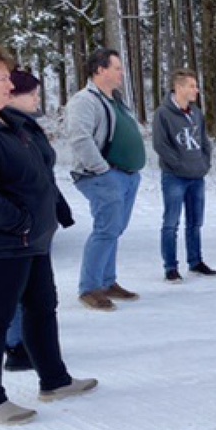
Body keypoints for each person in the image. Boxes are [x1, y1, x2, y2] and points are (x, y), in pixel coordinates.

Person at [0, 44, 97, 424]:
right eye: (2, 78)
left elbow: (33, 174)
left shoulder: (3, 121)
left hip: (28, 241)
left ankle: (54, 380)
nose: (10, 84)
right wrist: (21, 221)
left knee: (42, 308)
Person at [3, 68, 75, 372]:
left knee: (36, 291)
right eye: (30, 93)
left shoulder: (27, 125)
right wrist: (21, 219)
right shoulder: (6, 127)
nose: (37, 98)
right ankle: (17, 346)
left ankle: (29, 344)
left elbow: (42, 172)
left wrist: (58, 207)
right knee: (17, 289)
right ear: (12, 95)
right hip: (21, 223)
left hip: (38, 219)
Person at [67, 48, 145, 311]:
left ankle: (108, 281)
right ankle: (90, 288)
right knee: (106, 229)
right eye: (117, 68)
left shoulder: (115, 100)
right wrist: (102, 170)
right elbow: (80, 138)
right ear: (100, 70)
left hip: (126, 176)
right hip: (101, 176)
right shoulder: (84, 100)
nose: (122, 73)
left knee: (114, 230)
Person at [152, 68, 216, 283]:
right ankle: (170, 267)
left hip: (197, 175)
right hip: (175, 177)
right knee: (171, 223)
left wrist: (204, 162)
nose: (196, 90)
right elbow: (160, 145)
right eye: (192, 86)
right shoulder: (163, 113)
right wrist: (179, 165)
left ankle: (195, 261)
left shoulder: (196, 113)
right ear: (178, 88)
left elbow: (204, 140)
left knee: (195, 222)